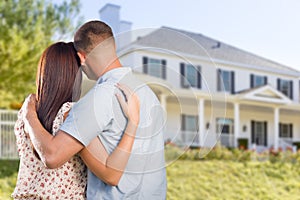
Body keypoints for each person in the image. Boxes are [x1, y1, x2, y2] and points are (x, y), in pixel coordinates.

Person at [22, 20, 167, 199]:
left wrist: (29, 116)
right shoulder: (149, 95)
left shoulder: (99, 97)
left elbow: (52, 156)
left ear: (81, 57)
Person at [13, 42, 140, 199]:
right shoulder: (71, 114)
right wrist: (133, 123)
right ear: (75, 74)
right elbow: (111, 174)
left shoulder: (27, 112)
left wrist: (28, 115)